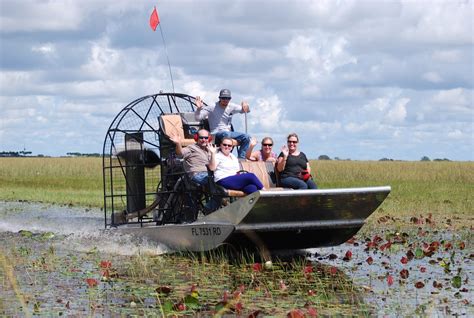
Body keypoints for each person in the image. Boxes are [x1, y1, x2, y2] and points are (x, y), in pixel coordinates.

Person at [169, 129, 219, 211]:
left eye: (206, 138)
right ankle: (208, 208)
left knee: (221, 185)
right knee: (215, 181)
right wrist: (178, 143)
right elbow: (180, 153)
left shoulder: (210, 149)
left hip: (210, 174)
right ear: (196, 138)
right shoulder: (191, 148)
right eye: (201, 138)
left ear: (209, 139)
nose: (204, 140)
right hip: (198, 175)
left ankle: (211, 208)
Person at [194, 88, 251, 159]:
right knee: (226, 134)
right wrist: (199, 109)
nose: (225, 100)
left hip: (229, 132)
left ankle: (241, 158)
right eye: (223, 98)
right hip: (216, 133)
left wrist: (244, 104)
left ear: (230, 99)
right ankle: (224, 156)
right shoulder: (212, 107)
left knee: (247, 137)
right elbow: (198, 118)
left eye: (227, 98)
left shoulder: (232, 106)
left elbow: (246, 110)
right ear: (219, 98)